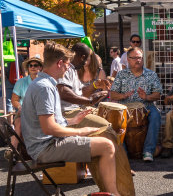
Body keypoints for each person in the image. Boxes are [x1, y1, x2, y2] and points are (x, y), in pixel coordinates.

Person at [20, 42, 121, 196]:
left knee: (100, 140)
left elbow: (49, 124)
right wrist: (82, 131)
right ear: (60, 63)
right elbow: (49, 129)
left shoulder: (43, 83)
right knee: (107, 146)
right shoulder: (44, 88)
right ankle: (114, 193)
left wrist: (72, 121)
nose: (69, 68)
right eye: (67, 64)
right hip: (46, 148)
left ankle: (106, 191)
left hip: (46, 143)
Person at [110, 47, 163, 162]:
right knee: (115, 120)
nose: (137, 60)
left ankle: (148, 151)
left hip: (146, 105)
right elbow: (112, 94)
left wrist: (147, 97)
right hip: (124, 106)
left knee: (156, 116)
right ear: (128, 60)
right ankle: (122, 151)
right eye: (134, 58)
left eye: (139, 57)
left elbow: (158, 94)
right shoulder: (121, 75)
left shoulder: (151, 74)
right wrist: (123, 96)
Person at [57, 42, 110, 116]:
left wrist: (94, 85)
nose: (84, 63)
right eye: (86, 59)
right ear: (82, 57)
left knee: (107, 115)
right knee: (106, 126)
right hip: (68, 111)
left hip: (79, 109)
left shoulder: (74, 70)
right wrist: (90, 101)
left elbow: (81, 93)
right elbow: (63, 92)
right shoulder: (67, 69)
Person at [10, 55, 43, 148]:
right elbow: (14, 100)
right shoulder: (21, 82)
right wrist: (20, 107)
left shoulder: (45, 81)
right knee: (19, 124)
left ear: (40, 67)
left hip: (41, 112)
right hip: (23, 112)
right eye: (30, 65)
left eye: (35, 65)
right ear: (28, 68)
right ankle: (13, 152)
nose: (32, 67)